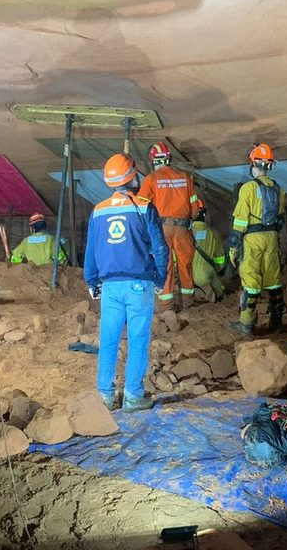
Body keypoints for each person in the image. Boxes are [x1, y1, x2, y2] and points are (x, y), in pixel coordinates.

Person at [84, 153, 169, 412]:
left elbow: (91, 250)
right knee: (137, 340)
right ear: (134, 176)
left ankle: (105, 397)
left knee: (108, 340)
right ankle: (133, 395)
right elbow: (161, 249)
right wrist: (160, 277)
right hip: (139, 285)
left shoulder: (98, 211)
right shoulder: (144, 207)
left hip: (110, 287)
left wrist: (92, 280)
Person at [227, 143, 286, 337]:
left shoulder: (248, 188)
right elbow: (280, 219)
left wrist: (233, 248)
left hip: (252, 238)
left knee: (251, 281)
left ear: (253, 164)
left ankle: (247, 324)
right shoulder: (278, 188)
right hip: (272, 238)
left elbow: (240, 221)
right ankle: (276, 323)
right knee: (273, 280)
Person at [138, 142, 200, 311]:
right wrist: (189, 220)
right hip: (183, 228)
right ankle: (188, 302)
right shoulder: (185, 177)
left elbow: (141, 207)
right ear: (169, 158)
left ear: (153, 160)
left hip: (162, 228)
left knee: (164, 264)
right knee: (185, 265)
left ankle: (166, 306)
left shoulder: (151, 179)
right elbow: (195, 207)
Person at [191, 200, 226, 302]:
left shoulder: (185, 233)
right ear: (205, 214)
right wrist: (220, 269)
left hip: (188, 279)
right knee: (219, 289)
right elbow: (220, 257)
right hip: (206, 276)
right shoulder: (213, 233)